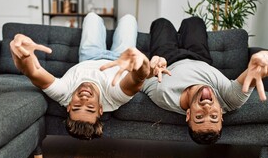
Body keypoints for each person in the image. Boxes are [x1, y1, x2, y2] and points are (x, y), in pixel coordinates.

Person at [10, 12, 168, 140]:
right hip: (122, 59)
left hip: (89, 56)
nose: (84, 100)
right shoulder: (114, 98)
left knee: (92, 17)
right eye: (90, 107)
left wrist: (21, 54)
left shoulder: (63, 94)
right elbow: (137, 80)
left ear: (69, 106)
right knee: (129, 18)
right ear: (100, 109)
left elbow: (34, 72)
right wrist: (142, 64)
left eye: (77, 106)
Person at [142, 17, 268, 144]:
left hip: (168, 60)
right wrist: (266, 58)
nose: (207, 108)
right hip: (200, 58)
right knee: (194, 22)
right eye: (214, 117)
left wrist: (150, 68)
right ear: (222, 116)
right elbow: (257, 70)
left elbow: (140, 81)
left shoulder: (164, 95)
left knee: (162, 23)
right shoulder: (230, 99)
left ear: (188, 114)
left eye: (199, 117)